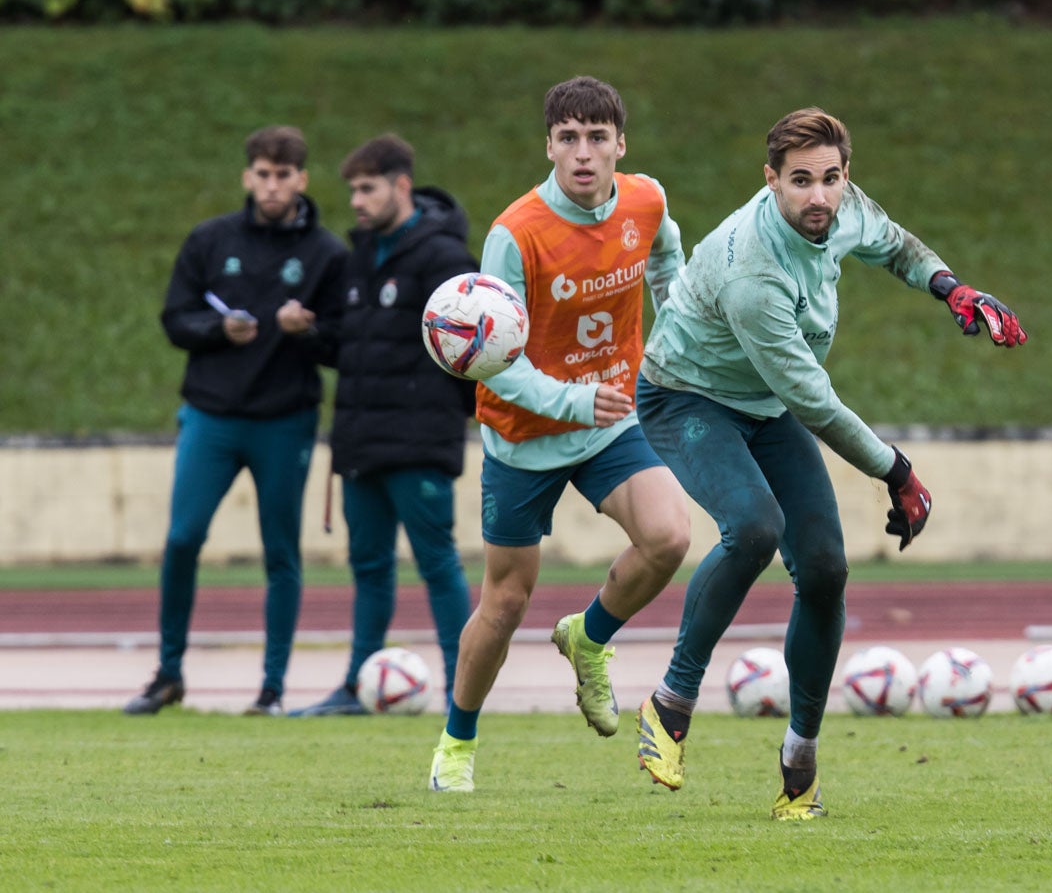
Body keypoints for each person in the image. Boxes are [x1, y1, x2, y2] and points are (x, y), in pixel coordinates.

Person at [631, 107, 1028, 819]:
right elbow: (812, 401)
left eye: (830, 179)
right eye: (800, 182)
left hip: (763, 404)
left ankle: (799, 762)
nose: (818, 197)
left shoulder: (840, 207)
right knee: (752, 528)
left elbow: (895, 244)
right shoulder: (752, 270)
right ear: (770, 181)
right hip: (686, 399)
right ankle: (670, 703)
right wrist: (897, 471)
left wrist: (952, 288)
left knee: (824, 569)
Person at [429, 76, 690, 792]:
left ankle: (589, 636)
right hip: (525, 434)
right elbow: (492, 364)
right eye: (568, 138)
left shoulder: (646, 200)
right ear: (547, 145)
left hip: (612, 420)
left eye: (597, 138)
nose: (583, 153)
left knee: (669, 536)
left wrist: (673, 344)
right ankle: (456, 742)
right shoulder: (514, 235)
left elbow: (669, 266)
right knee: (505, 603)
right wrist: (577, 402)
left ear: (620, 146)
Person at [124, 125, 348, 717]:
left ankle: (271, 690)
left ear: (302, 179)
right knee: (182, 538)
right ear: (248, 177)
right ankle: (168, 673)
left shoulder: (327, 253)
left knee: (280, 553)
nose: (272, 185)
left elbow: (343, 346)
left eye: (284, 175)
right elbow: (175, 319)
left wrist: (310, 332)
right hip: (211, 416)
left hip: (285, 420)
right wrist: (216, 329)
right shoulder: (210, 239)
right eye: (262, 174)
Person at [290, 134, 478, 717]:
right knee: (368, 568)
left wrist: (454, 413)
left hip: (420, 441)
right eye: (352, 190)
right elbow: (357, 348)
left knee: (437, 564)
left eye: (367, 188)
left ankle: (459, 692)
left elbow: (473, 348)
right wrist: (312, 335)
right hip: (360, 442)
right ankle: (355, 686)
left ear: (401, 186)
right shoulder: (358, 256)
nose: (356, 201)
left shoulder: (445, 258)